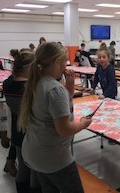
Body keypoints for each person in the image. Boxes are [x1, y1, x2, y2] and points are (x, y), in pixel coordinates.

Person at [18, 42, 91, 193]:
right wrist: (83, 124)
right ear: (57, 62)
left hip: (35, 152)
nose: (67, 65)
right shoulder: (54, 89)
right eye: (65, 61)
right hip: (53, 158)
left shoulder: (37, 81)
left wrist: (69, 84)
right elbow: (64, 129)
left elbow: (58, 107)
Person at [3, 49, 41, 192]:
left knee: (23, 168)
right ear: (29, 68)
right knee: (35, 168)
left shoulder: (8, 83)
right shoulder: (30, 88)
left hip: (17, 131)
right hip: (32, 133)